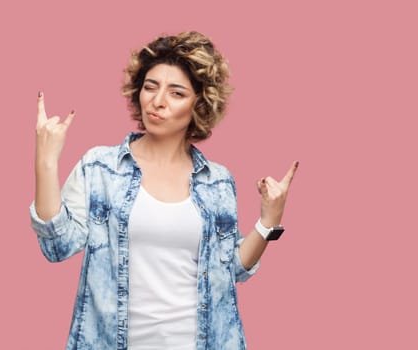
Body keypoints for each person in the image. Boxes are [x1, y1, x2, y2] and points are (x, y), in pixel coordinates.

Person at [30, 31, 298, 350]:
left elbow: (232, 270)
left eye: (176, 93)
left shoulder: (218, 181)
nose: (157, 102)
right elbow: (58, 247)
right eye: (150, 87)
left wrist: (269, 221)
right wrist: (46, 162)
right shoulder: (100, 167)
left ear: (199, 103)